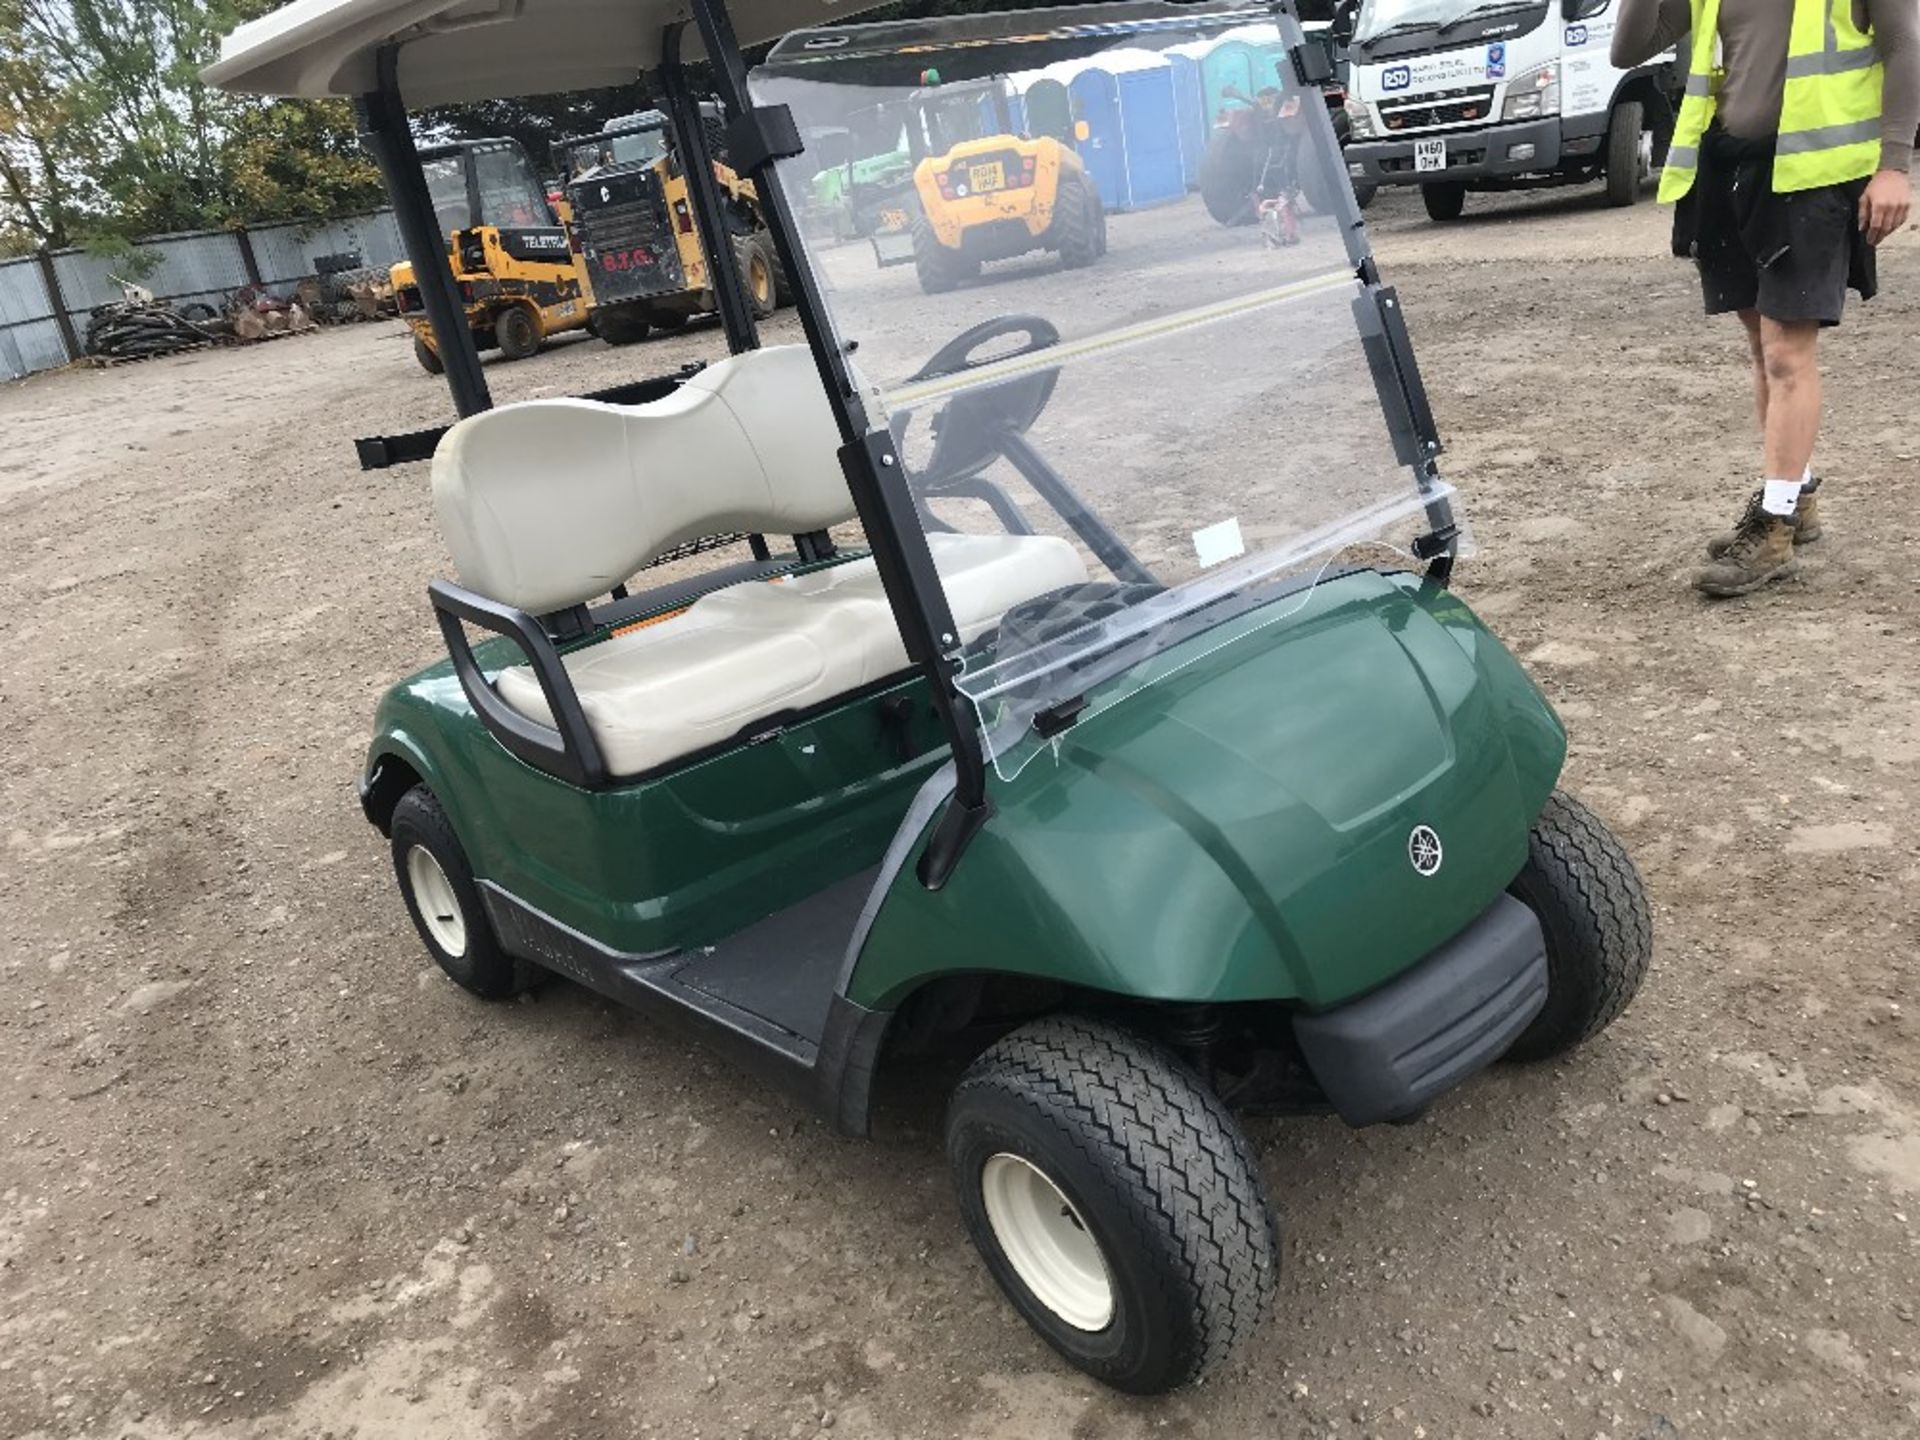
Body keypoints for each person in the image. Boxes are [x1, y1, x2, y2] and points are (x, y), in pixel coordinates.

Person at [1613, 0, 1917, 598]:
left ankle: (1773, 528)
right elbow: (1629, 49)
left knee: (1785, 352)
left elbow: (1906, 45)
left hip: (1815, 174)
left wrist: (1895, 166)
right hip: (1731, 165)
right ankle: (1795, 496)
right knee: (1760, 344)